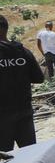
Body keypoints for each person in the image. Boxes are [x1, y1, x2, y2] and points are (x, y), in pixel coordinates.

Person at [0, 15, 45, 151]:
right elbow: (39, 78)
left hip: (2, 116)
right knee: (29, 155)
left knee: (5, 161)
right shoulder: (23, 52)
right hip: (24, 111)